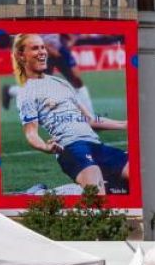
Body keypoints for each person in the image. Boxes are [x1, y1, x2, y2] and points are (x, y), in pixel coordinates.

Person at [10, 32, 130, 193]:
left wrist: (125, 124)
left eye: (42, 47)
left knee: (134, 180)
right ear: (21, 55)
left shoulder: (61, 83)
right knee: (97, 195)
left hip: (96, 145)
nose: (42, 52)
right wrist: (45, 147)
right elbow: (31, 133)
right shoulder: (27, 92)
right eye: (34, 48)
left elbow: (90, 120)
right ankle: (39, 195)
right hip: (71, 148)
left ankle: (51, 193)